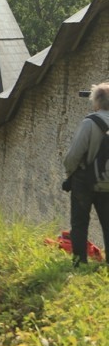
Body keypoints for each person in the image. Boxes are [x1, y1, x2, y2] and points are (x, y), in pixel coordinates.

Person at [63, 82, 109, 266]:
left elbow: (73, 156)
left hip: (85, 182)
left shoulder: (90, 122)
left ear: (96, 102)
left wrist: (70, 175)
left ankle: (80, 262)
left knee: (80, 223)